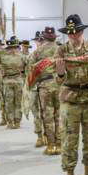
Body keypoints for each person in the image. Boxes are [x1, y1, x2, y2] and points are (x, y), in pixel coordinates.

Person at [55, 15, 88, 175]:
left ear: (82, 31)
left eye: (77, 33)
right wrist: (60, 73)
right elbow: (58, 81)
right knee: (69, 139)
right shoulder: (61, 51)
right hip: (70, 99)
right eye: (70, 34)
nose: (74, 36)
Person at [29, 27, 61, 155]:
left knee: (47, 116)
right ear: (55, 37)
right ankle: (60, 144)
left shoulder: (37, 52)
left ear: (43, 37)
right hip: (60, 85)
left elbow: (31, 70)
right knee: (59, 115)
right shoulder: (62, 49)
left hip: (44, 86)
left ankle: (51, 145)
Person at [0, 37, 26, 129]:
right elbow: (28, 69)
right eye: (13, 48)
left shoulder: (4, 56)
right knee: (14, 102)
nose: (13, 49)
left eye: (14, 47)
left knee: (11, 102)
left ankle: (13, 122)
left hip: (10, 80)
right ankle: (14, 122)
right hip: (15, 80)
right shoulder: (22, 56)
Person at [29, 31, 46, 147]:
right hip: (35, 87)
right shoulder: (33, 55)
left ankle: (49, 136)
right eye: (38, 40)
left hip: (48, 87)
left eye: (42, 40)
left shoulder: (52, 53)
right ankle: (39, 136)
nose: (40, 42)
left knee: (48, 112)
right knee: (36, 112)